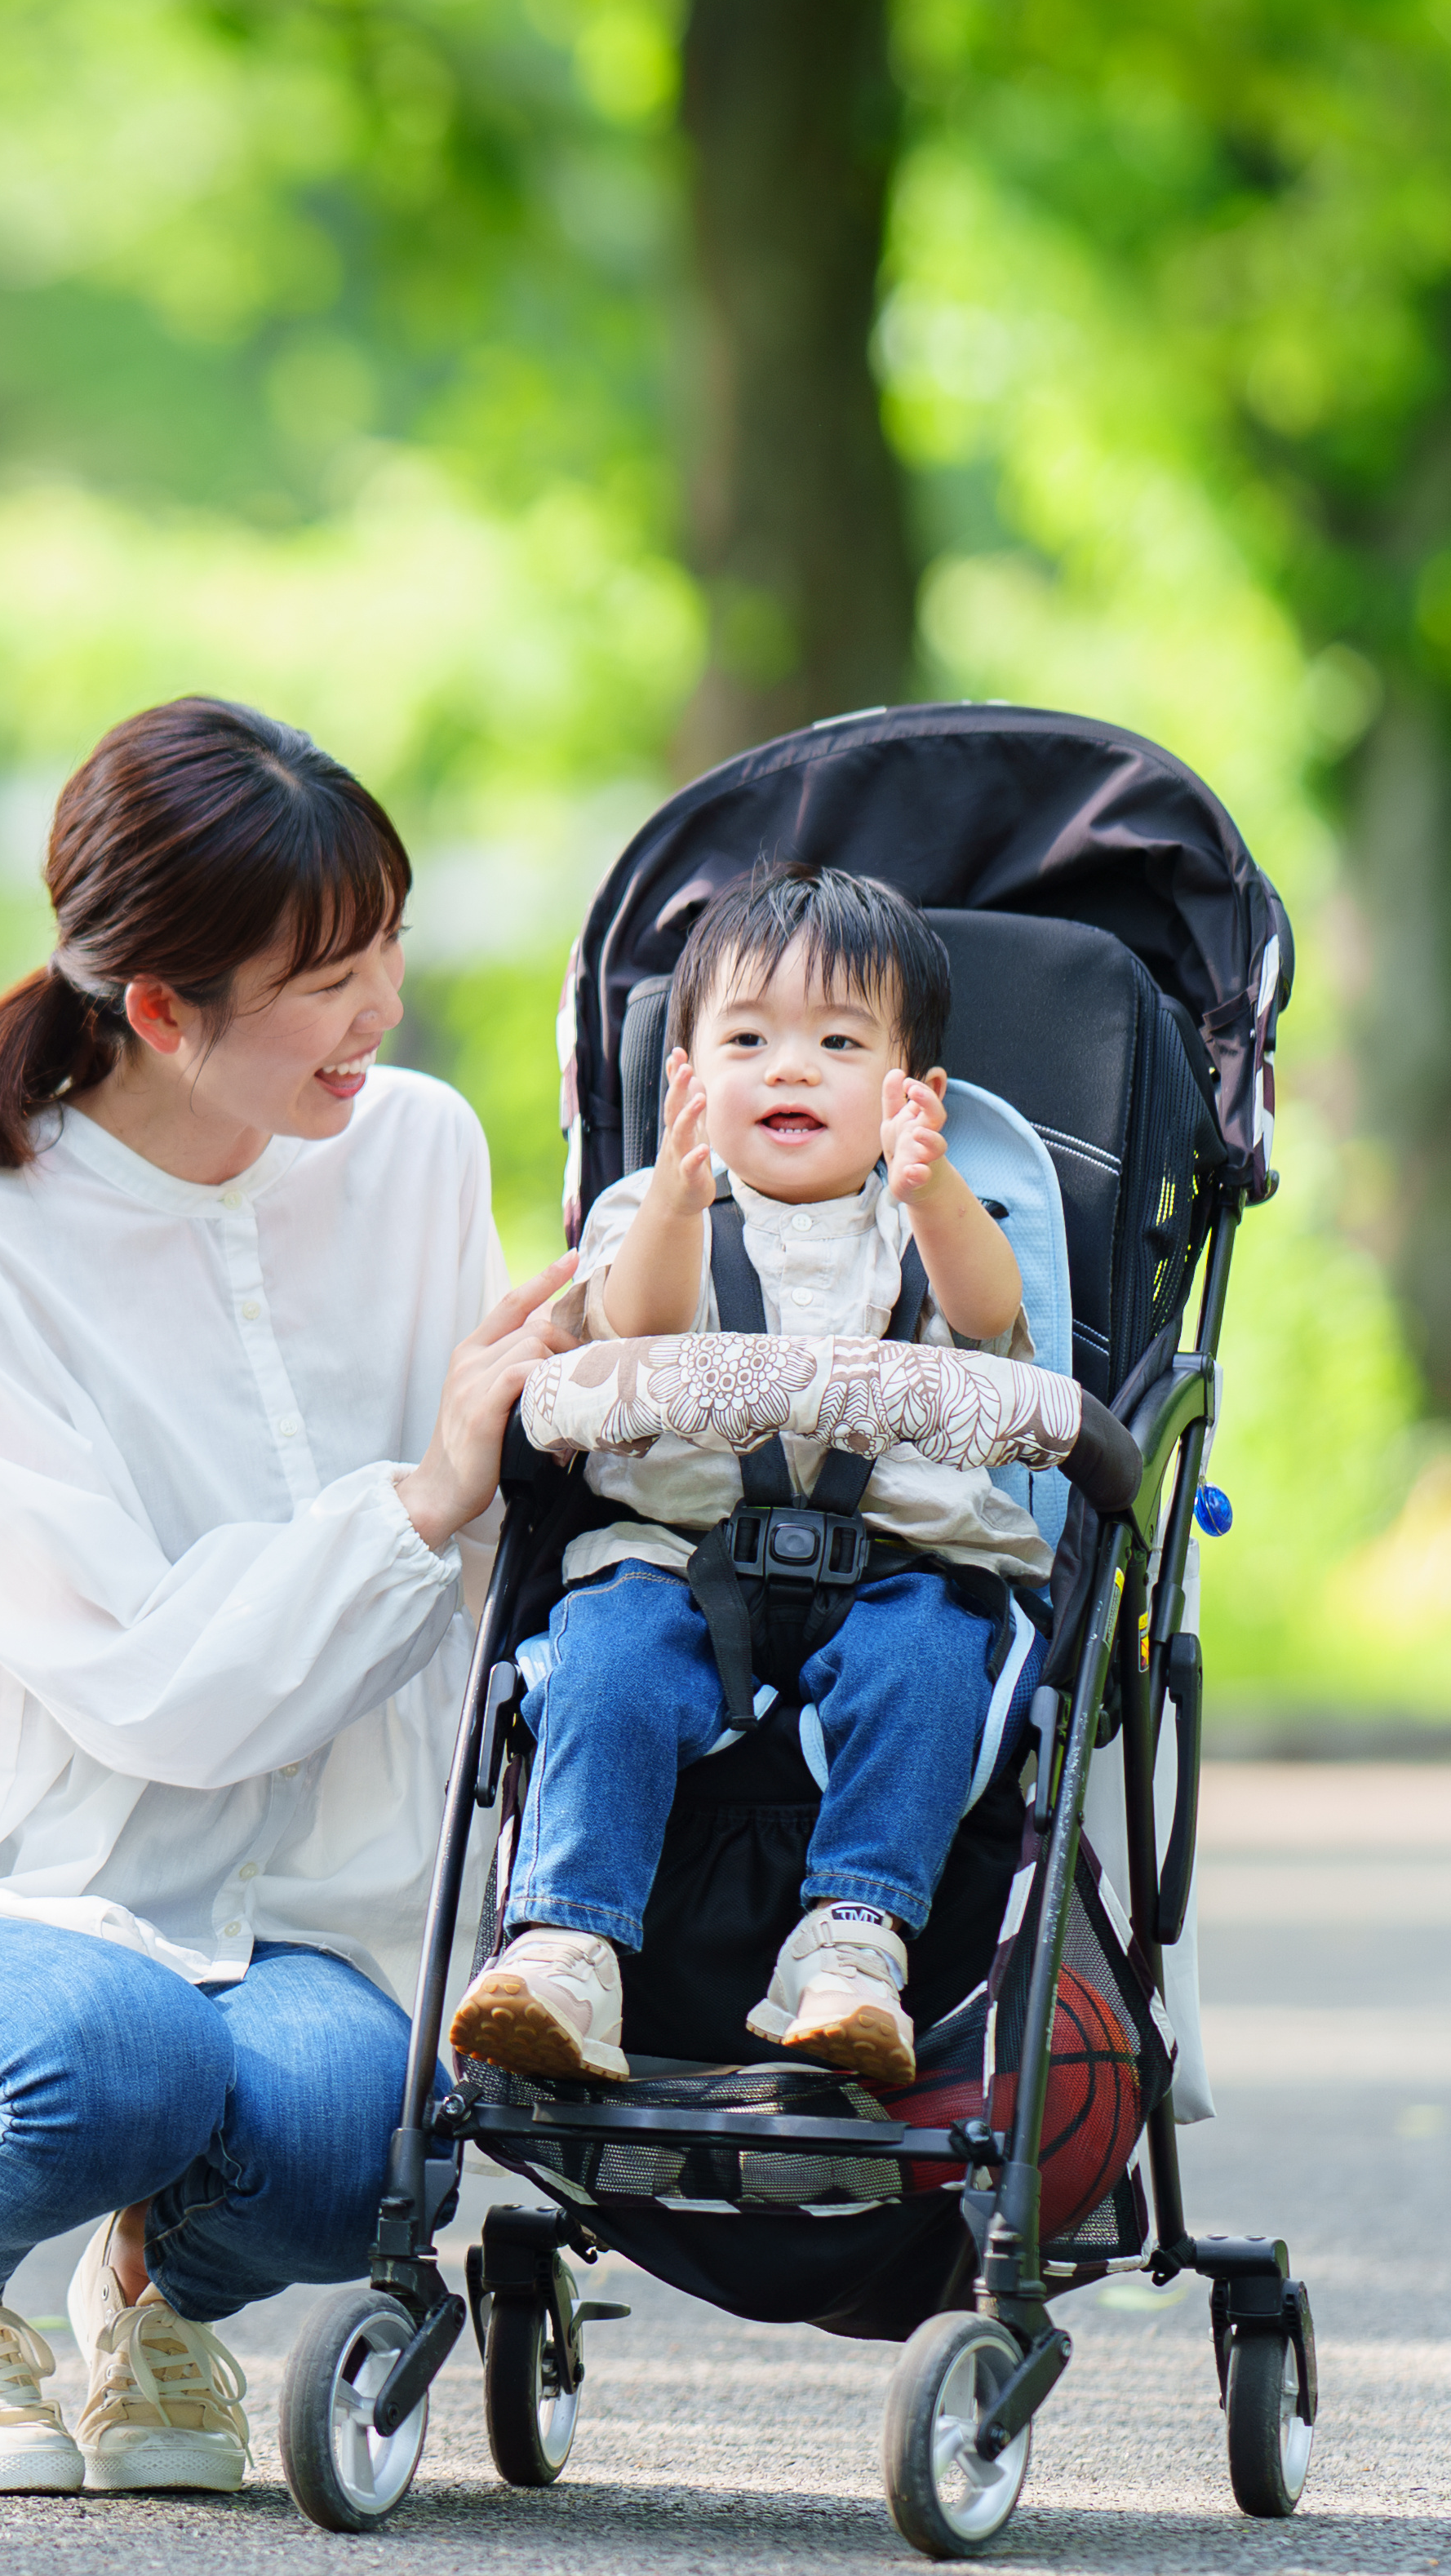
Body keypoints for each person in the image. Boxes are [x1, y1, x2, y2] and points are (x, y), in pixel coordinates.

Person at [0, 699, 595, 2496]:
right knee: (118, 2058)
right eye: (328, 979)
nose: (384, 1009)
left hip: (302, 1890)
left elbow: (503, 1535)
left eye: (386, 949)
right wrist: (420, 1497)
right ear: (167, 1010)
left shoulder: (415, 1151)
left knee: (365, 2142)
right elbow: (138, 1676)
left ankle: (148, 2289)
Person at [443, 861, 1033, 2099]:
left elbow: (990, 1317)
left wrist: (936, 1197)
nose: (792, 1069)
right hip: (677, 1558)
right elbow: (633, 1326)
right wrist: (673, 1197)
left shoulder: (917, 1226)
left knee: (929, 1667)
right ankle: (567, 1945)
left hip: (895, 1566)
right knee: (605, 1660)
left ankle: (853, 1940)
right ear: (689, 1081)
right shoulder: (651, 1211)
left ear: (912, 1093)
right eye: (750, 1040)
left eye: (838, 1041)